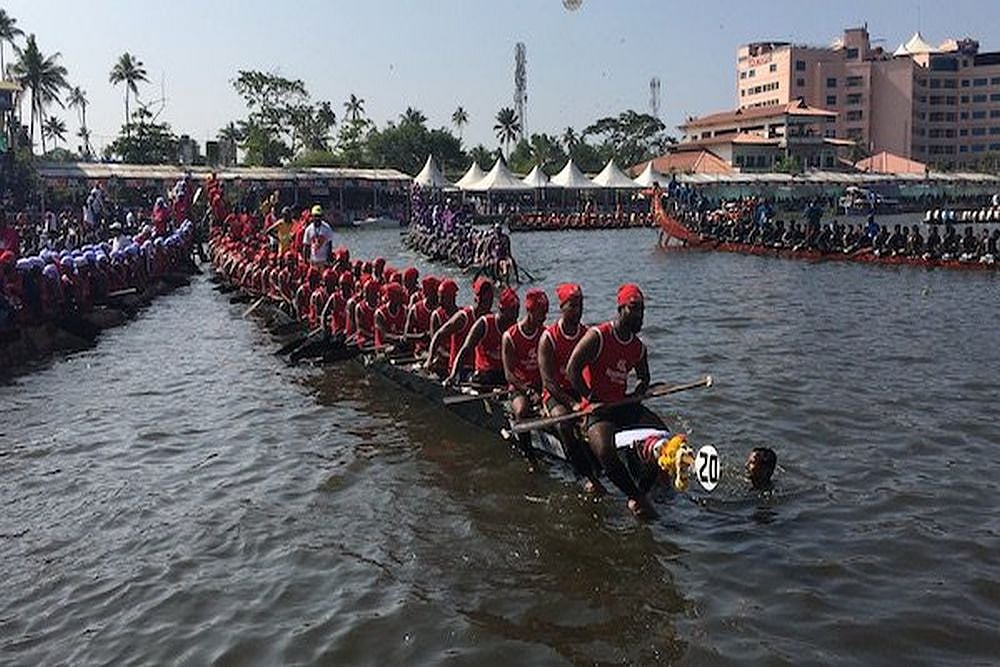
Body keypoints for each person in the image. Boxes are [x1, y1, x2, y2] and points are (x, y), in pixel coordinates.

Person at [566, 283, 663, 518]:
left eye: (642, 309)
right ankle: (636, 497)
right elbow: (572, 369)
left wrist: (636, 394)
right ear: (620, 309)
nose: (639, 315)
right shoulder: (598, 336)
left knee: (662, 436)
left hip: (620, 405)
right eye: (634, 308)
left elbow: (644, 378)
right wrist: (589, 397)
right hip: (597, 409)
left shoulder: (638, 348)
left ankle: (641, 491)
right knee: (605, 451)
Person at [537, 283, 601, 493]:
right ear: (562, 307)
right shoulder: (549, 338)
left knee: (598, 416)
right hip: (555, 394)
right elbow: (548, 383)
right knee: (565, 424)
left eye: (580, 305)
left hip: (577, 390)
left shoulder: (587, 335)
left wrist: (589, 400)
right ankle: (583, 475)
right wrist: (573, 405)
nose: (578, 310)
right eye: (573, 305)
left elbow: (591, 375)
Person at [502, 288, 548, 470]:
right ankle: (530, 457)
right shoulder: (510, 337)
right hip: (519, 388)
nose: (545, 317)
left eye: (546, 312)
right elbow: (509, 374)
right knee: (521, 411)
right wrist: (529, 392)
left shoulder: (545, 334)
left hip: (541, 385)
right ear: (529, 311)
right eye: (541, 312)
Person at [447, 285, 518, 386]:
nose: (514, 319)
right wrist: (453, 375)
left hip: (502, 374)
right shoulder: (484, 324)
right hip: (484, 375)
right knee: (484, 377)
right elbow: (465, 350)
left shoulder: (514, 328)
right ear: (501, 310)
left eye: (516, 314)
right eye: (511, 315)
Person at [426, 277, 494, 379]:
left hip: (478, 369)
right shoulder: (463, 317)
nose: (487, 303)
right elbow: (438, 335)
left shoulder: (490, 320)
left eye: (489, 300)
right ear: (476, 298)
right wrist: (430, 360)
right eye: (484, 299)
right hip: (460, 369)